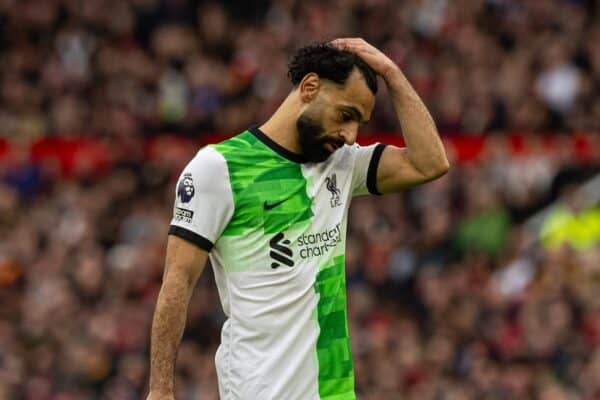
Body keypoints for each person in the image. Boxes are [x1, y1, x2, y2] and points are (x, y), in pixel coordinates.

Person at [147, 38, 449, 400]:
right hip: (260, 390)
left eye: (360, 123)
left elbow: (430, 162)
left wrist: (393, 75)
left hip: (334, 392)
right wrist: (160, 390)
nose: (351, 136)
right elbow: (177, 281)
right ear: (309, 88)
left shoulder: (342, 164)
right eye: (346, 114)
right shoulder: (219, 168)